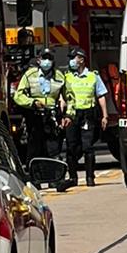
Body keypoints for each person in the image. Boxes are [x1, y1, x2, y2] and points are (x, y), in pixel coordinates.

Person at [12, 48, 67, 183]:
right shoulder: (29, 75)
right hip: (35, 115)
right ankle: (34, 179)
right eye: (44, 58)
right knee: (34, 148)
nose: (47, 61)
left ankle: (54, 178)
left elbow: (68, 97)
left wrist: (68, 115)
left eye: (49, 58)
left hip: (52, 115)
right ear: (39, 60)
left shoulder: (59, 76)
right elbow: (18, 95)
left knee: (53, 148)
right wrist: (32, 102)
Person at [61, 48, 109, 187]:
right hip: (72, 115)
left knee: (88, 147)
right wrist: (62, 114)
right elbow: (63, 97)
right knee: (71, 147)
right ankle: (73, 177)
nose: (71, 61)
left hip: (88, 114)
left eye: (74, 57)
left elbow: (101, 96)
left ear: (81, 59)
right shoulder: (67, 77)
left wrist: (104, 116)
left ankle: (90, 177)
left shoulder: (93, 76)